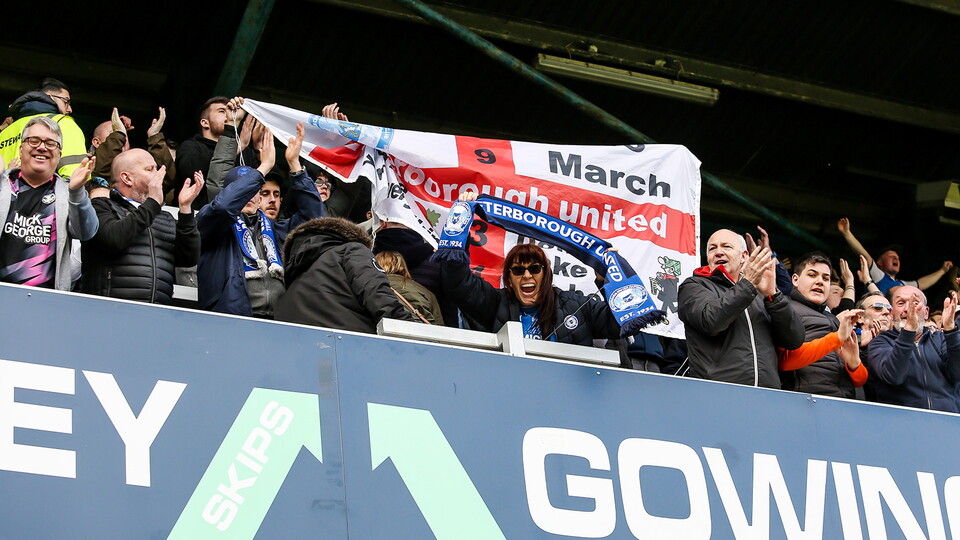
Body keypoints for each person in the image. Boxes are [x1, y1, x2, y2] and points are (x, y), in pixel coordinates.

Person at [196, 124, 324, 317]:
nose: (250, 196)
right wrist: (264, 167)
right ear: (231, 193)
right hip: (231, 318)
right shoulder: (214, 223)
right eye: (242, 190)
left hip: (277, 320)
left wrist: (295, 166)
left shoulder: (275, 229)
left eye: (254, 191)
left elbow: (314, 220)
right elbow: (223, 207)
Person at [678, 228, 804, 388]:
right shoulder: (694, 286)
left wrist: (773, 295)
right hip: (716, 393)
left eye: (726, 247)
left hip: (767, 397)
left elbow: (794, 340)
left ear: (744, 256)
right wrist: (748, 284)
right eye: (712, 248)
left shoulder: (760, 294)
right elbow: (711, 321)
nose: (718, 252)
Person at [79, 149, 203, 304]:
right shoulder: (101, 206)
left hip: (156, 313)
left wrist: (185, 210)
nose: (159, 174)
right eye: (150, 169)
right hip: (110, 309)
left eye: (157, 169)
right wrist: (152, 203)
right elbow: (112, 240)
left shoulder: (165, 217)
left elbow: (188, 259)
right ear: (127, 178)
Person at [0, 117, 98, 290]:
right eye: (34, 140)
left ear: (59, 154)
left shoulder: (68, 193)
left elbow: (86, 232)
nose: (42, 147)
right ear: (21, 149)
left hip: (45, 302)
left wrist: (76, 191)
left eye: (51, 143)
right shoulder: (3, 185)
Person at [275, 218, 414, 332]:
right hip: (355, 350)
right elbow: (377, 294)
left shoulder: (288, 284)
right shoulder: (353, 250)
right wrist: (410, 330)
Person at [778, 252, 868, 397]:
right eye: (812, 275)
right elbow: (784, 362)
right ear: (795, 279)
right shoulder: (784, 309)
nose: (820, 281)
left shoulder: (833, 318)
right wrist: (836, 338)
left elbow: (860, 381)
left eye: (826, 278)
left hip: (843, 404)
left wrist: (854, 363)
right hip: (804, 402)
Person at [866, 286, 960, 412]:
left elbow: (957, 374)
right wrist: (909, 331)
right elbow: (894, 376)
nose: (907, 309)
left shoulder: (941, 339)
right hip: (903, 425)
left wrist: (950, 329)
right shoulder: (879, 343)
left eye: (915, 303)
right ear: (892, 313)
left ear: (926, 313)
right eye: (901, 303)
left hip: (947, 422)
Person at [837, 217, 952, 295]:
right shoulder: (878, 276)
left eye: (897, 258)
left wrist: (942, 271)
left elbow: (921, 283)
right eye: (891, 256)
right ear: (879, 262)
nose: (896, 259)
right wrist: (847, 233)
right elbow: (865, 256)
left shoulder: (902, 284)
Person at [0, 78, 87, 178]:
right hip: (45, 192)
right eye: (66, 102)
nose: (70, 109)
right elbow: (75, 173)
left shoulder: (5, 131)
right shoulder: (62, 122)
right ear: (50, 97)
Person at [375, 250, 444, 325]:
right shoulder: (425, 292)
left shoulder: (374, 287)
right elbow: (438, 325)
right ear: (403, 266)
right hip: (421, 333)